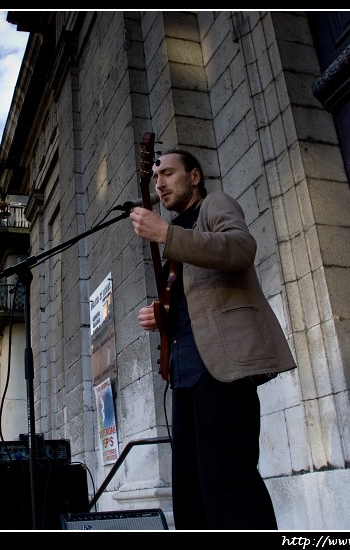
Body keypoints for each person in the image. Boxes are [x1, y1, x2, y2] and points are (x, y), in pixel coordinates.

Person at [129, 148, 296, 530]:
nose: (160, 183)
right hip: (185, 370)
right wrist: (163, 315)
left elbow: (241, 249)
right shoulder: (181, 235)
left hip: (222, 366)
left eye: (168, 173)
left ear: (195, 176)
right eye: (156, 178)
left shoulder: (213, 206)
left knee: (229, 482)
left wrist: (166, 233)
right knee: (190, 489)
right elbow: (196, 300)